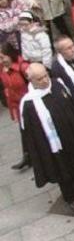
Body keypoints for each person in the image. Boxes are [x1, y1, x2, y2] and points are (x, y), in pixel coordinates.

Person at [20, 63, 74, 212]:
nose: (45, 80)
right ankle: (70, 196)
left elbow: (71, 105)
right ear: (31, 80)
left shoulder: (57, 85)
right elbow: (29, 132)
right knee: (63, 170)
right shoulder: (28, 103)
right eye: (40, 79)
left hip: (71, 135)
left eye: (46, 76)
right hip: (53, 144)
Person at [0, 42, 30, 170]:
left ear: (10, 55)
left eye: (2, 57)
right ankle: (28, 156)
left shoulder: (23, 67)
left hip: (29, 105)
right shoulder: (2, 69)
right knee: (24, 131)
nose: (1, 60)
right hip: (17, 106)